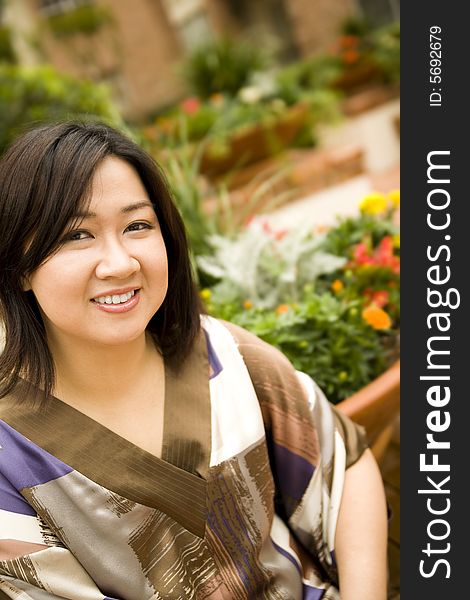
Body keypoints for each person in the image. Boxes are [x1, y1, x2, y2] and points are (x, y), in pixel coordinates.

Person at [0, 122, 388, 600]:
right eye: (77, 235)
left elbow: (343, 464)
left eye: (137, 226)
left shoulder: (225, 355)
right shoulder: (8, 451)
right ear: (18, 266)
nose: (120, 263)